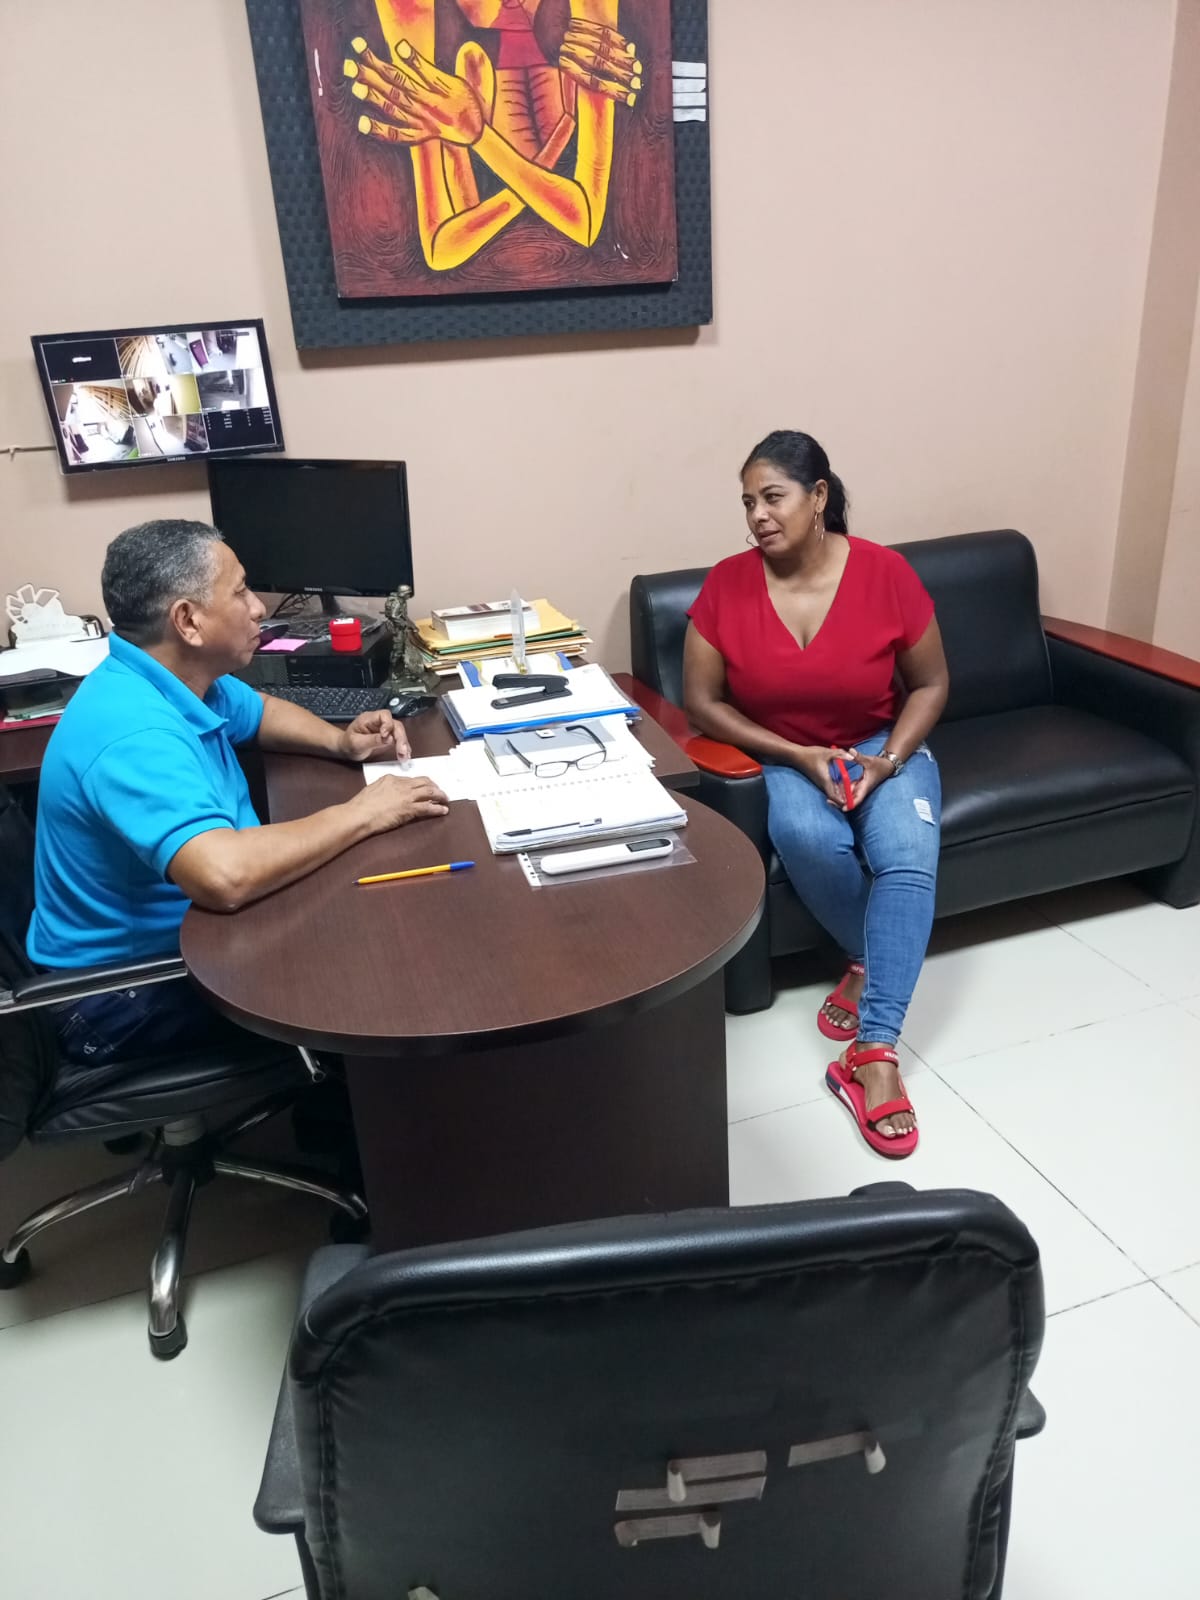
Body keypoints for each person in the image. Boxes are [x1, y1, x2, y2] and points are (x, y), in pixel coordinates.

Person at [27, 519, 450, 1068]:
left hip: (193, 939)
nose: (257, 609)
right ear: (188, 621)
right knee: (375, 974)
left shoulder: (171, 675)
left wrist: (340, 741)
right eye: (241, 591)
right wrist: (365, 812)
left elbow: (258, 711)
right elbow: (223, 877)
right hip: (122, 994)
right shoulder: (132, 731)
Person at [684, 432, 950, 1158]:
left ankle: (874, 1053)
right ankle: (870, 958)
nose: (757, 516)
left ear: (819, 496)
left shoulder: (885, 573)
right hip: (785, 752)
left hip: (881, 745)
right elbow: (702, 702)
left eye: (773, 497)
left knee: (907, 857)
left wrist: (886, 763)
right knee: (806, 838)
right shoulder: (727, 584)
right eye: (748, 502)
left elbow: (931, 684)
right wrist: (797, 756)